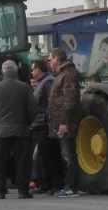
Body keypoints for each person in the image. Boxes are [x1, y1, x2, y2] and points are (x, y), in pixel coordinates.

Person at [0, 60, 37, 200]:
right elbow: (33, 109)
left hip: (1, 132)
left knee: (0, 162)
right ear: (16, 71)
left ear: (2, 71)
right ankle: (23, 191)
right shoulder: (25, 87)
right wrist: (26, 122)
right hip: (21, 131)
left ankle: (0, 191)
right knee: (22, 162)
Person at [48, 48, 83, 198]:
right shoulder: (62, 74)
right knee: (65, 155)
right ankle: (67, 185)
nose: (49, 62)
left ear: (56, 58)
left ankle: (71, 186)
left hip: (66, 123)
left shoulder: (68, 75)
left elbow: (70, 101)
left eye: (50, 59)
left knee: (69, 155)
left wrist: (64, 122)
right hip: (60, 122)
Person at [30, 59, 64, 195]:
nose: (32, 72)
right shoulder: (42, 82)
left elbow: (52, 104)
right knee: (43, 156)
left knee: (51, 155)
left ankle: (55, 184)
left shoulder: (48, 82)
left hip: (45, 124)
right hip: (39, 124)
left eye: (33, 69)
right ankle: (46, 184)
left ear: (38, 69)